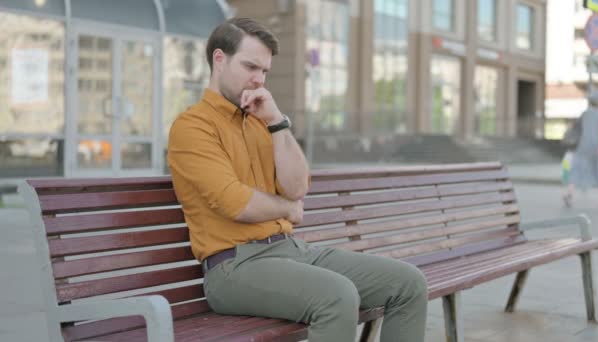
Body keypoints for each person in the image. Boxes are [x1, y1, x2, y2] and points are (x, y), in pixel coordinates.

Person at [168, 18, 427, 341]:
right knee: (337, 296)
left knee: (408, 283)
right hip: (234, 268)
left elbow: (297, 187)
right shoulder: (192, 127)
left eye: (264, 71)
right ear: (219, 59)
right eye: (251, 67)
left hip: (290, 251)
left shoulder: (262, 120)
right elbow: (236, 202)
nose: (258, 80)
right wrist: (287, 210)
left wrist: (277, 122)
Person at [562, 89, 598, 207]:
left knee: (577, 170)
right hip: (597, 146)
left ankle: (569, 193)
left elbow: (577, 128)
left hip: (583, 146)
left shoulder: (585, 114)